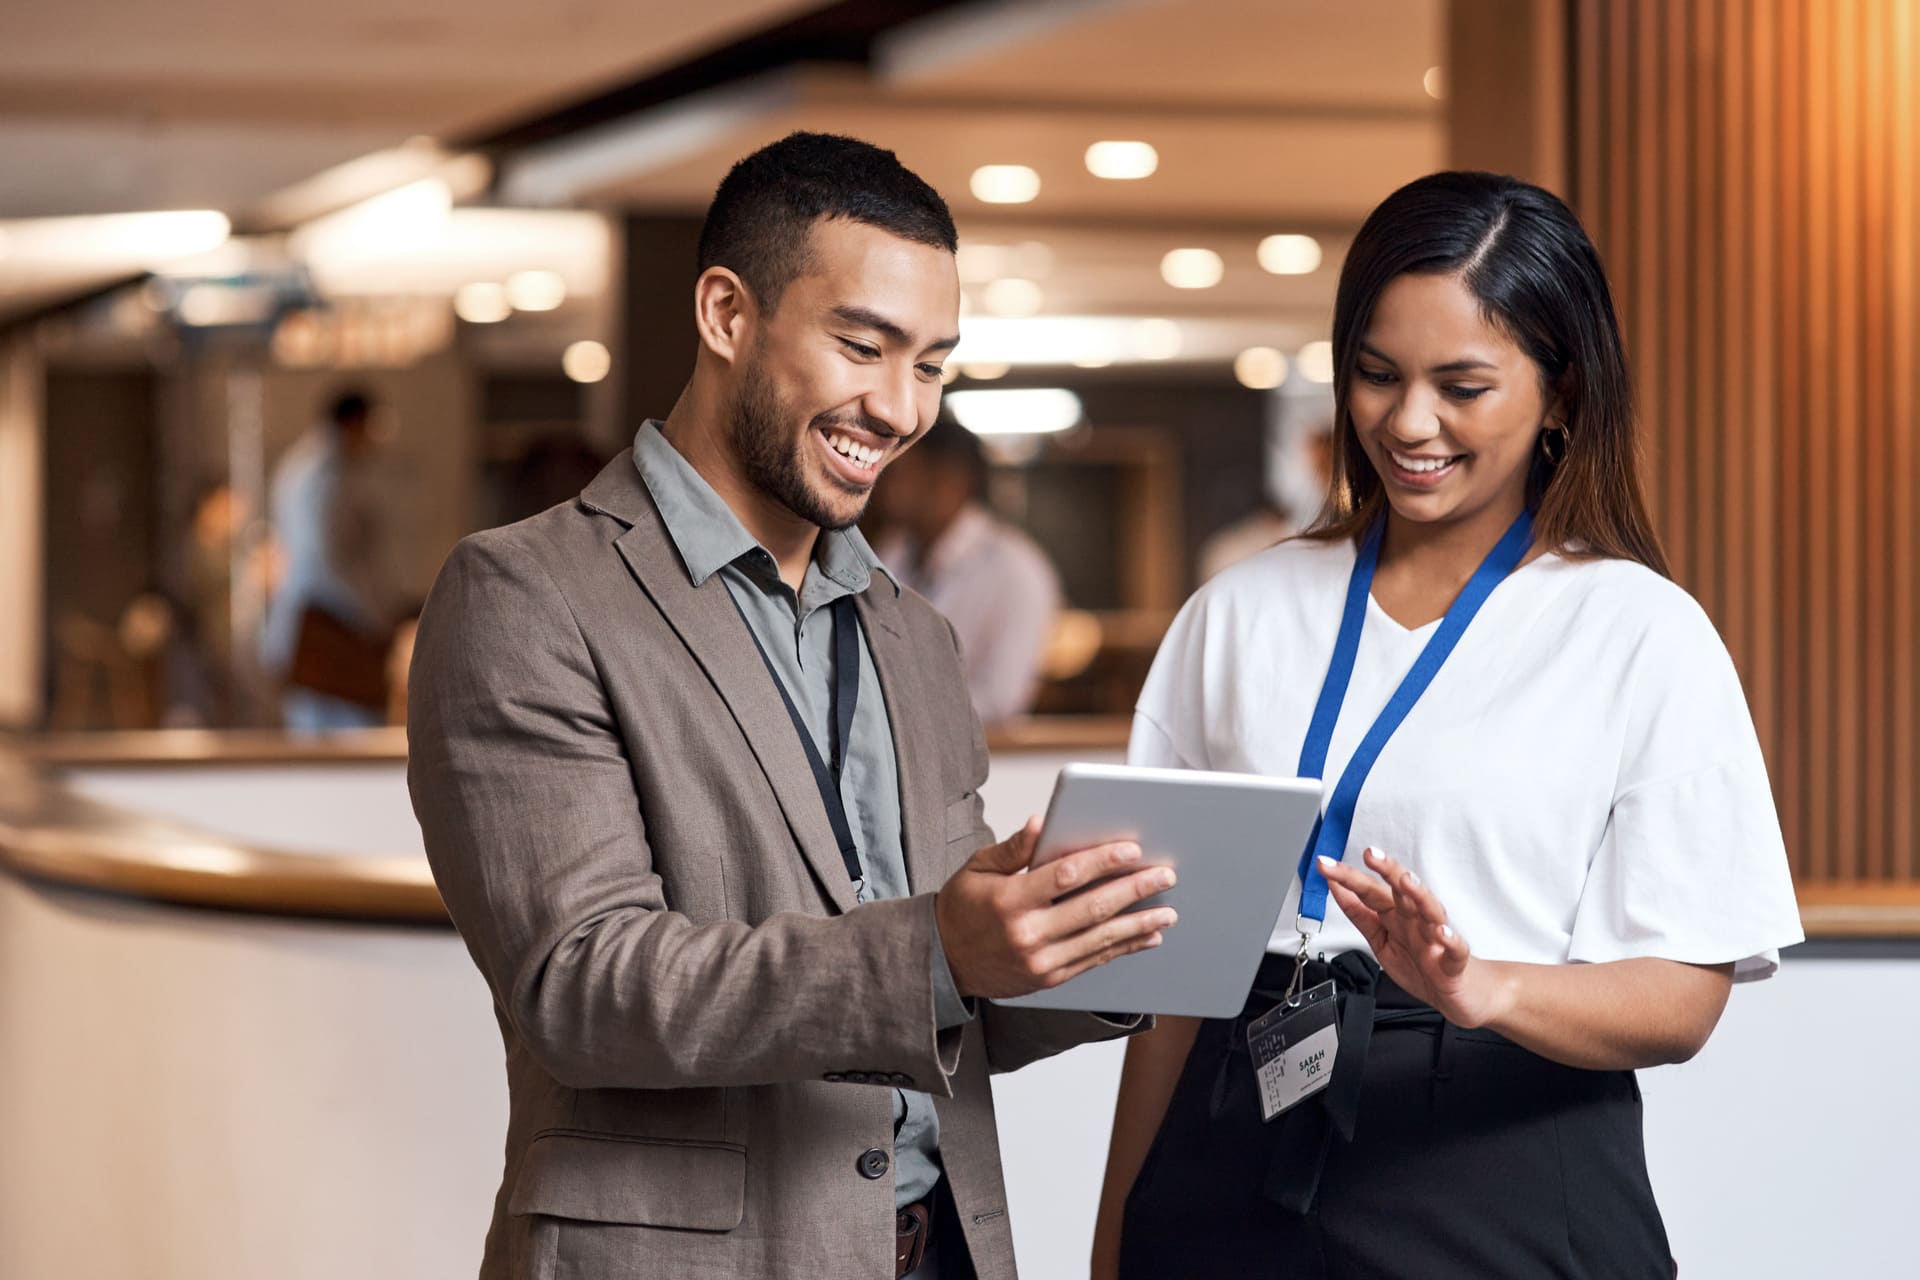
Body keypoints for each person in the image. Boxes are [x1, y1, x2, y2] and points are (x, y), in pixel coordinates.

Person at [407, 132, 1173, 1280]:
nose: (901, 406)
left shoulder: (915, 632)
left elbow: (946, 995)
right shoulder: (524, 594)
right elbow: (583, 984)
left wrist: (1108, 947)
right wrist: (937, 945)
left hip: (942, 1247)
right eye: (862, 346)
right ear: (726, 314)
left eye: (933, 363)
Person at [1091, 171, 1803, 1279]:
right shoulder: (1238, 609)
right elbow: (1173, 980)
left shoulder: (1640, 631)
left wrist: (1485, 987)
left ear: (1562, 394)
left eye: (1461, 385)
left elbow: (1684, 995)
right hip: (1230, 1156)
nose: (1408, 422)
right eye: (1377, 375)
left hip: (1498, 1161)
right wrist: (1118, 1239)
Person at [870, 419, 1061, 723]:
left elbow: (1001, 698)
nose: (884, 486)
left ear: (946, 481)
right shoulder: (892, 550)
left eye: (900, 473)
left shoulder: (1016, 569)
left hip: (978, 757)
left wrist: (895, 713)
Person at [260, 388, 400, 732]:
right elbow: (327, 566)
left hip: (324, 623)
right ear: (355, 423)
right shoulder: (322, 477)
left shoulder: (310, 467)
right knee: (337, 746)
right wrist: (376, 621)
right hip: (329, 628)